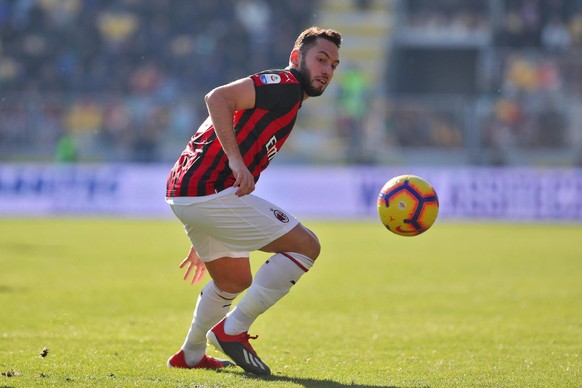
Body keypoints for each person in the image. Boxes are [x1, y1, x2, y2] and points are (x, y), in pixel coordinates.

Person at [165, 26, 342, 375]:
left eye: (333, 65)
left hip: (190, 194)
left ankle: (191, 353)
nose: (327, 70)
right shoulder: (285, 86)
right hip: (208, 190)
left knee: (233, 280)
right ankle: (233, 330)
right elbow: (217, 97)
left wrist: (204, 223)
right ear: (296, 58)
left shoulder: (289, 101)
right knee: (306, 246)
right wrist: (234, 160)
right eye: (320, 60)